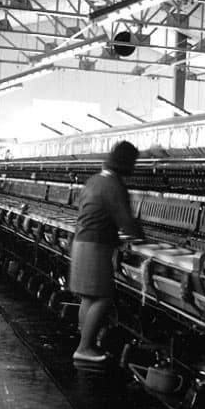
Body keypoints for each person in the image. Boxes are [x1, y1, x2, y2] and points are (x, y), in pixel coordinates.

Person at [70, 141, 143, 362]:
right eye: (133, 162)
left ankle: (85, 342)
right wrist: (141, 237)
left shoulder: (95, 180)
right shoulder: (114, 185)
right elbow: (126, 221)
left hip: (81, 241)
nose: (134, 166)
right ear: (125, 162)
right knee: (103, 297)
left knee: (89, 296)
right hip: (96, 245)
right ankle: (85, 348)